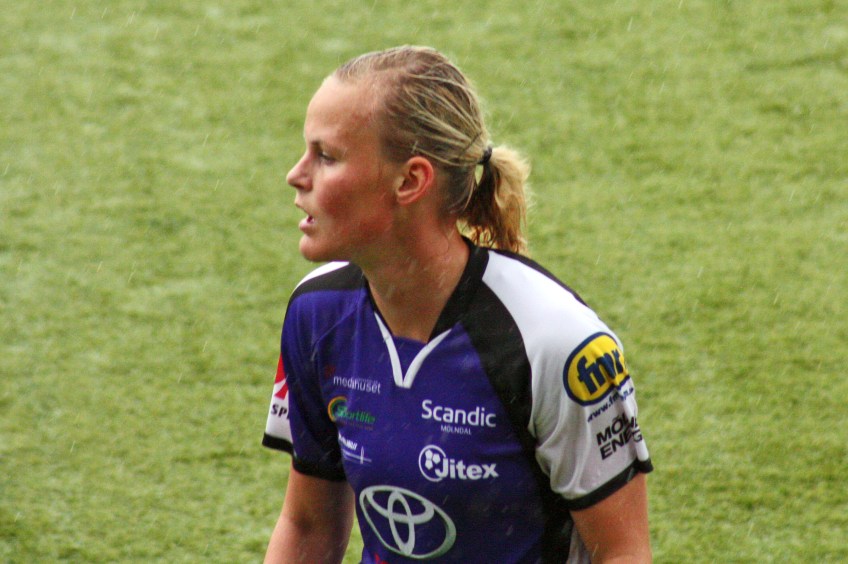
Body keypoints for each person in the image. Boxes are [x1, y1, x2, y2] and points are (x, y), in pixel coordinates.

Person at [262, 46, 653, 563]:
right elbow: (308, 527)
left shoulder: (555, 343)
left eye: (326, 156)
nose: (296, 174)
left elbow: (623, 553)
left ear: (410, 180)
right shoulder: (316, 315)